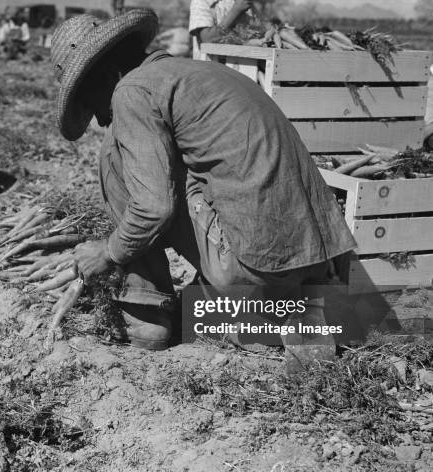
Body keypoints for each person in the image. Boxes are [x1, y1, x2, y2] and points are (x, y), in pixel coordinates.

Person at [51, 10, 356, 356]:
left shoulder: (131, 91)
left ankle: (146, 316)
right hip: (319, 255)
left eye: (93, 104)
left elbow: (154, 207)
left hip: (254, 267)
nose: (102, 118)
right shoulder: (202, 73)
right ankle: (295, 308)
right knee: (196, 306)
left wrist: (107, 251)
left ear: (108, 74)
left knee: (115, 157)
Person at [189, 0, 254, 59]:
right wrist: (236, 11)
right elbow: (207, 38)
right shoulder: (200, 2)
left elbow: (255, 35)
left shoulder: (244, 2)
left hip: (241, 67)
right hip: (210, 69)